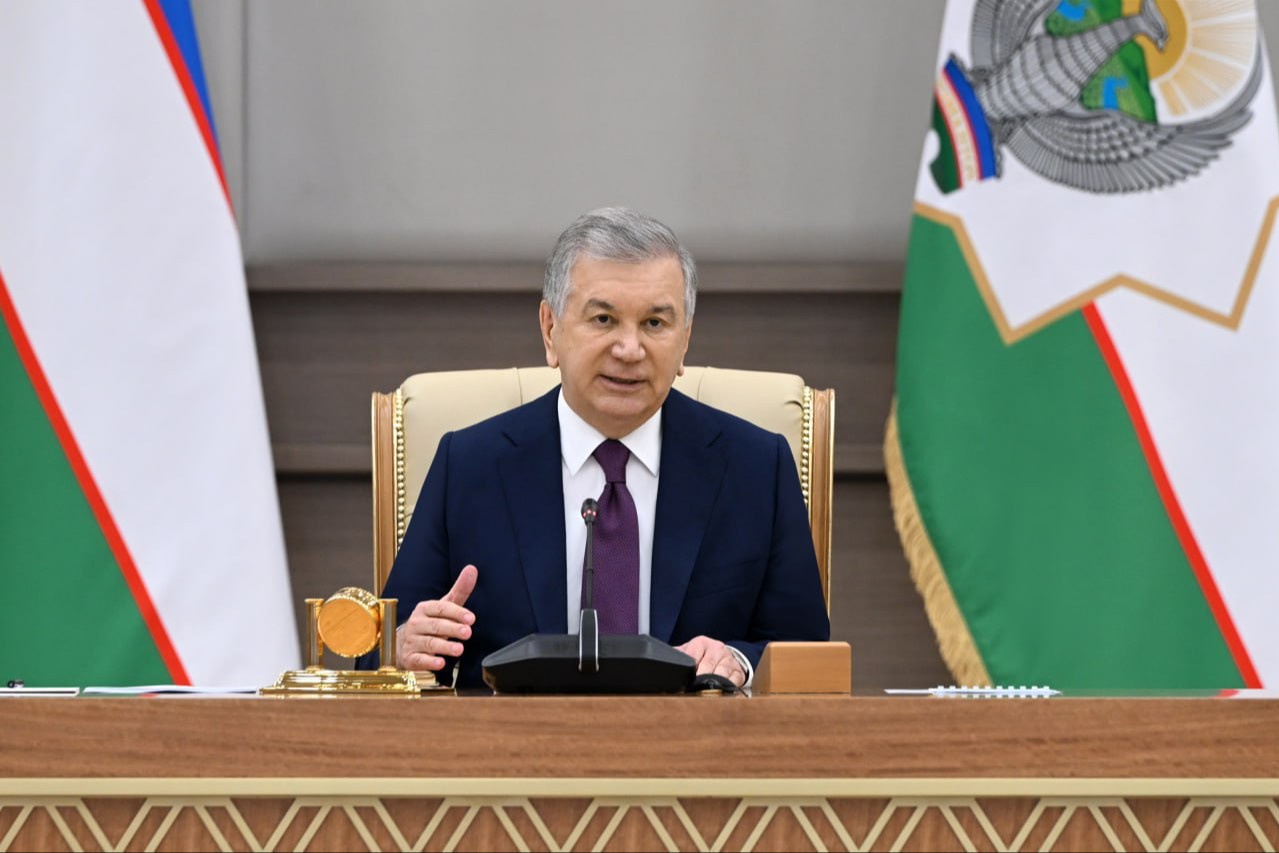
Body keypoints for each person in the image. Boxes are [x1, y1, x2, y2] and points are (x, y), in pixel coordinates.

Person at [383, 207, 830, 688]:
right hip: (512, 734)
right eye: (603, 319)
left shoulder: (756, 468)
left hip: (692, 735)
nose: (630, 349)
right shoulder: (469, 465)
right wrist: (407, 643)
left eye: (655, 323)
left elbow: (809, 655)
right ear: (550, 329)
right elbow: (377, 652)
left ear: (685, 340)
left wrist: (737, 661)